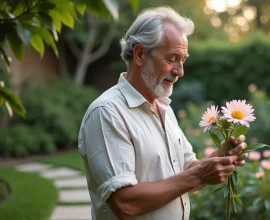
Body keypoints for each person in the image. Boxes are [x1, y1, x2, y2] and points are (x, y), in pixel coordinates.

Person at [78, 6, 248, 220]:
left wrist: (220, 157)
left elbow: (187, 172)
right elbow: (124, 202)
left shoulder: (164, 108)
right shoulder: (107, 113)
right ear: (140, 54)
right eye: (172, 58)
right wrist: (197, 175)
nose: (180, 71)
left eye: (183, 60)